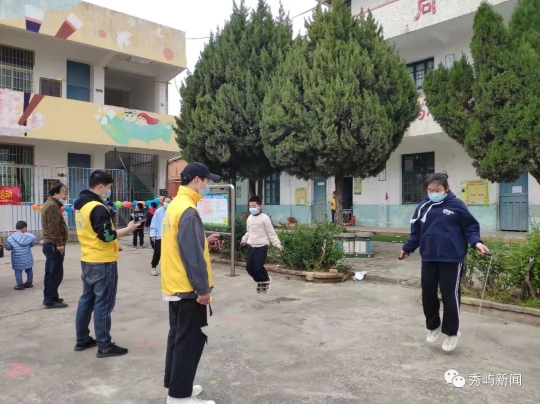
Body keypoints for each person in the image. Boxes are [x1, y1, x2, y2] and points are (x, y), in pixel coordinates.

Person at [400, 173, 490, 352]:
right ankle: (433, 326)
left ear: (446, 189)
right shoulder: (423, 207)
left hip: (451, 258)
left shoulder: (457, 205)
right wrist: (408, 248)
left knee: (450, 296)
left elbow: (470, 227)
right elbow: (416, 232)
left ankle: (452, 332)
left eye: (438, 190)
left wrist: (476, 242)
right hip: (429, 256)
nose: (434, 193)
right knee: (428, 294)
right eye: (430, 190)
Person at [161, 162, 223, 404]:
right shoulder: (188, 209)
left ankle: (176, 387)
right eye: (206, 180)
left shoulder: (175, 205)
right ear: (197, 179)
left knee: (178, 338)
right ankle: (179, 397)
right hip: (188, 289)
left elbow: (181, 245)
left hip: (174, 284)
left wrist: (204, 242)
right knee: (188, 342)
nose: (207, 185)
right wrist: (202, 289)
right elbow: (192, 256)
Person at [73, 170, 142, 358]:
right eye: (109, 188)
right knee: (103, 304)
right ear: (100, 186)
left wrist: (114, 243)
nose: (109, 192)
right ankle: (104, 345)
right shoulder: (96, 207)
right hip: (102, 261)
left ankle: (82, 339)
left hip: (88, 258)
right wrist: (128, 229)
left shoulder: (80, 206)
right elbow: (107, 235)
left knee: (86, 300)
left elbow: (92, 233)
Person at [240, 195, 283, 293]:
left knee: (258, 267)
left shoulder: (265, 218)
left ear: (260, 206)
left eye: (254, 206)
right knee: (249, 268)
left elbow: (271, 233)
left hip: (261, 247)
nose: (251, 208)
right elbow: (249, 232)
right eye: (250, 206)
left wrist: (277, 243)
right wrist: (244, 240)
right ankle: (259, 281)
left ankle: (266, 280)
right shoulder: (249, 218)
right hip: (251, 247)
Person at [41, 182, 69, 309]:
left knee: (51, 272)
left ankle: (51, 296)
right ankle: (50, 300)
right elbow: (53, 227)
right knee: (55, 273)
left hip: (50, 243)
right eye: (64, 192)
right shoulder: (52, 206)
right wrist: (59, 243)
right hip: (53, 244)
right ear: (56, 193)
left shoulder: (51, 204)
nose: (66, 195)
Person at [5, 221, 37, 290]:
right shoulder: (29, 237)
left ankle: (20, 285)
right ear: (24, 228)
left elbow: (8, 248)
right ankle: (29, 283)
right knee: (29, 269)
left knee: (18, 271)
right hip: (27, 258)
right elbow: (32, 243)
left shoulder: (10, 238)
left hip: (17, 259)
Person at [149, 196, 172, 276]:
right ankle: (153, 266)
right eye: (166, 201)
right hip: (160, 236)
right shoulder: (158, 211)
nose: (167, 203)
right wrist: (153, 235)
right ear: (163, 202)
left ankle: (168, 269)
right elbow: (154, 223)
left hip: (170, 237)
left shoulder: (173, 211)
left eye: (169, 202)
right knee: (157, 253)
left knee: (169, 253)